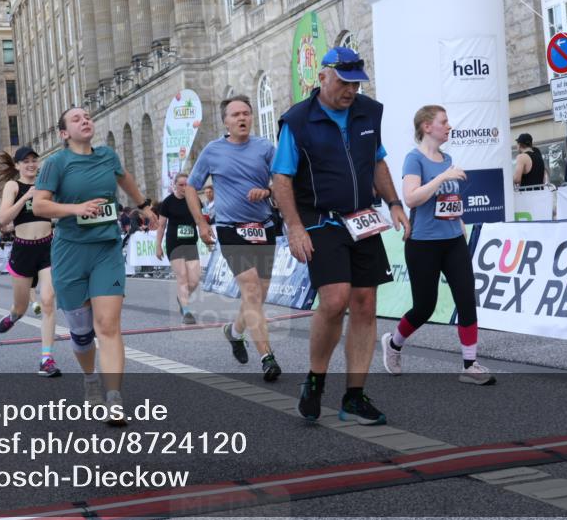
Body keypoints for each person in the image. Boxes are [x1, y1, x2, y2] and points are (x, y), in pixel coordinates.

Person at [271, 46, 410, 425]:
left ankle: (354, 395)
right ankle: (315, 380)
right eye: (344, 83)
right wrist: (295, 226)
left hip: (362, 217)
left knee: (365, 302)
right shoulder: (297, 121)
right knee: (334, 300)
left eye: (356, 84)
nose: (351, 91)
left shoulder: (369, 112)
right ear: (323, 78)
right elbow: (281, 178)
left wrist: (394, 202)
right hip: (320, 219)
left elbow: (376, 160)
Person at [31, 107, 157, 422]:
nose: (85, 120)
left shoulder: (107, 156)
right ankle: (90, 381)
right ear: (64, 133)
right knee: (82, 333)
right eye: (76, 119)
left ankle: (114, 397)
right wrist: (77, 209)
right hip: (70, 253)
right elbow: (39, 205)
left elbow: (125, 179)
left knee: (108, 325)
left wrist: (143, 206)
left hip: (106, 249)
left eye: (87, 116)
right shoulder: (57, 163)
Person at [380, 105, 494, 385]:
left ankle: (470, 364)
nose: (449, 126)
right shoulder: (414, 160)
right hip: (423, 243)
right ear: (427, 127)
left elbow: (450, 203)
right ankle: (393, 344)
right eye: (444, 122)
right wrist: (443, 177)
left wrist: (461, 226)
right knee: (424, 307)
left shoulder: (448, 158)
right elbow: (411, 198)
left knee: (467, 298)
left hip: (453, 240)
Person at [185, 95, 282, 383]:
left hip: (263, 226)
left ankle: (234, 331)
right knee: (251, 291)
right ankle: (267, 357)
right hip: (231, 228)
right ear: (225, 121)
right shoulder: (213, 151)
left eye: (246, 113)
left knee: (258, 296)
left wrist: (266, 192)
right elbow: (192, 187)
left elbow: (281, 182)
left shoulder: (266, 148)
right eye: (236, 114)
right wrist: (202, 222)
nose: (242, 118)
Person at [0, 146, 62, 378]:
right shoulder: (13, 186)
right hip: (23, 250)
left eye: (34, 160)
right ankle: (13, 316)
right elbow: (2, 219)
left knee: (48, 300)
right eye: (26, 161)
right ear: (18, 165)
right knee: (21, 307)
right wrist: (25, 196)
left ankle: (46, 358)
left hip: (47, 247)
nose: (31, 164)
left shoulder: (47, 184)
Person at [156, 172, 201, 325]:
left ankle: (182, 298)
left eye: (186, 185)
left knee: (194, 280)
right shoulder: (168, 202)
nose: (183, 187)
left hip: (191, 243)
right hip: (174, 243)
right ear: (174, 185)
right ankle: (187, 311)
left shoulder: (194, 200)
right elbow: (161, 226)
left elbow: (200, 220)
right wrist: (158, 246)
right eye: (181, 185)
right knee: (182, 276)